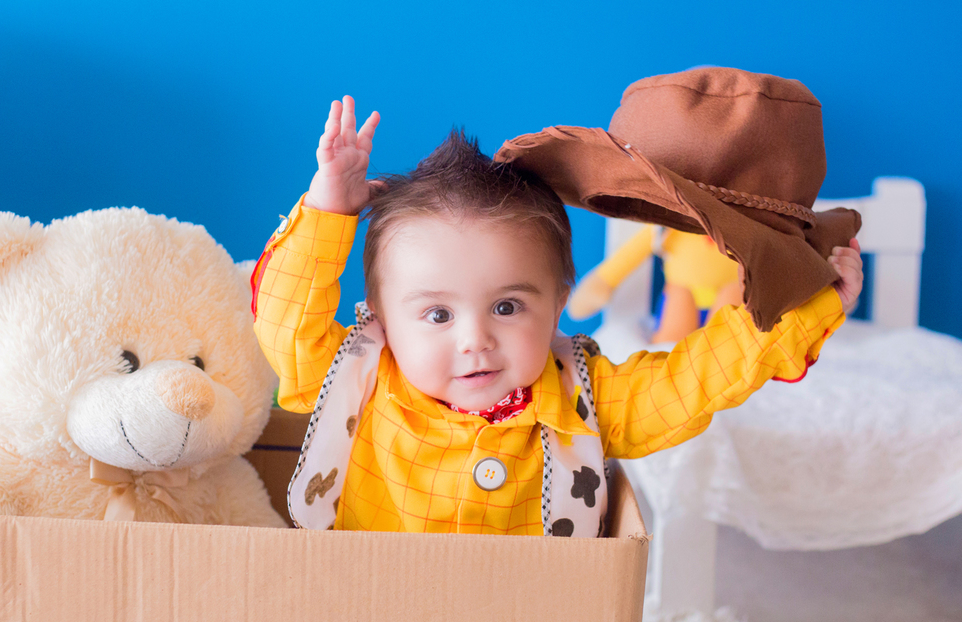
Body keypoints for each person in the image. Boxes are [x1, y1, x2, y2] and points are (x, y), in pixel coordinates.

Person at [251, 96, 863, 537]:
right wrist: (329, 211)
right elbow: (287, 325)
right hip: (374, 617)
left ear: (560, 299)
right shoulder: (359, 380)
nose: (475, 341)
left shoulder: (584, 399)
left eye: (508, 306)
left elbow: (694, 381)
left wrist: (809, 308)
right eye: (436, 314)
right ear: (382, 316)